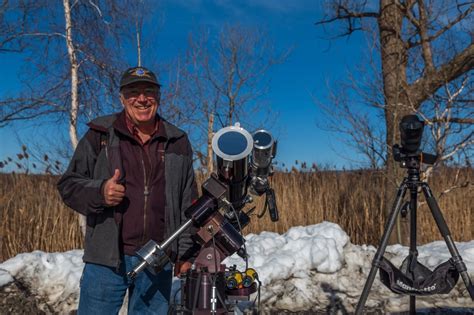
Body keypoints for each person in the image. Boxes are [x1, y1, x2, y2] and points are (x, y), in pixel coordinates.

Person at [58, 66, 198, 314]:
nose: (142, 98)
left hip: (158, 259)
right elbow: (68, 185)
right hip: (107, 261)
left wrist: (186, 252)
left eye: (149, 91)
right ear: (122, 98)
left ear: (159, 97)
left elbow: (189, 202)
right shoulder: (100, 135)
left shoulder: (178, 141)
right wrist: (100, 192)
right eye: (133, 91)